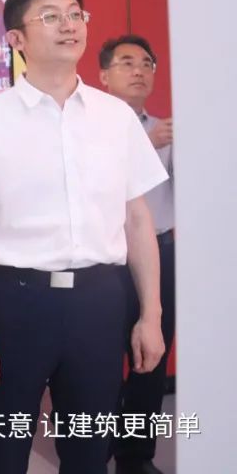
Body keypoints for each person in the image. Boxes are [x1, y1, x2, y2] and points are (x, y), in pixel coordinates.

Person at [0, 0, 167, 474]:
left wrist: (151, 314)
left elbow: (137, 220)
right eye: (51, 16)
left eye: (75, 14)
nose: (69, 25)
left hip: (100, 302)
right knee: (4, 451)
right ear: (16, 38)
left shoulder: (116, 119)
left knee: (89, 451)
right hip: (17, 303)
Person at [99, 35, 176, 474]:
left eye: (147, 63)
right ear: (103, 76)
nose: (139, 71)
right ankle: (98, 451)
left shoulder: (168, 130)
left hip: (160, 255)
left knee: (152, 359)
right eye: (126, 63)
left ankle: (136, 455)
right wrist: (148, 142)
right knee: (103, 359)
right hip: (108, 263)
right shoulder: (91, 130)